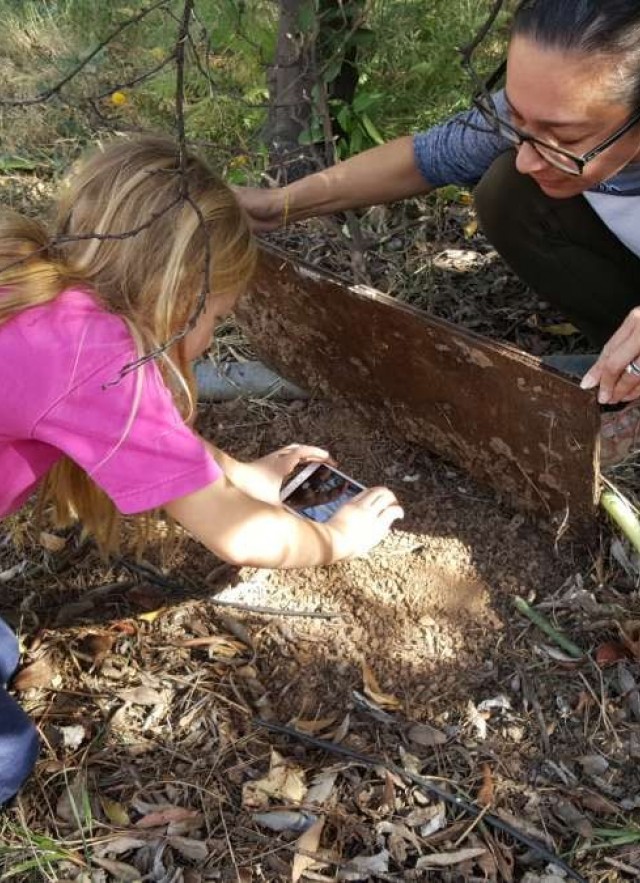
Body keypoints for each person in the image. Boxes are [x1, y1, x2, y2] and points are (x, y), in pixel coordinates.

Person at [0, 135, 403, 805]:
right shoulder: (97, 362)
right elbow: (239, 537)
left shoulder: (40, 277)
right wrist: (338, 538)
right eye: (216, 315)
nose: (213, 337)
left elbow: (155, 437)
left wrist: (245, 475)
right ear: (180, 291)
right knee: (9, 756)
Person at [237, 0, 640, 464]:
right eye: (517, 121)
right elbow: (426, 158)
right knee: (508, 189)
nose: (530, 154)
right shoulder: (552, 109)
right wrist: (275, 206)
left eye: (566, 140)